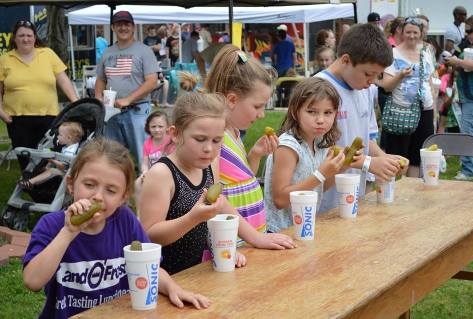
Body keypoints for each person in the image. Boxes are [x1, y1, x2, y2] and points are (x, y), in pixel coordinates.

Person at [22, 138, 211, 319]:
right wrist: (68, 232)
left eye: (111, 190)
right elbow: (32, 281)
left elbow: (148, 267)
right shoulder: (51, 225)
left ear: (123, 197)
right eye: (89, 185)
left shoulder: (125, 221)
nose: (98, 196)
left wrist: (173, 288)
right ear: (71, 185)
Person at [139, 74, 296, 274]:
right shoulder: (162, 174)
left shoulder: (209, 164)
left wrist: (257, 239)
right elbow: (149, 234)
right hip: (168, 279)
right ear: (175, 133)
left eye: (216, 140)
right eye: (200, 139)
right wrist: (191, 219)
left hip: (201, 271)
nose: (209, 149)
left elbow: (222, 204)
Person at [314, 23, 408, 212]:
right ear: (346, 60)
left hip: (354, 195)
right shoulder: (317, 89)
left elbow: (368, 138)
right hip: (321, 201)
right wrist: (368, 163)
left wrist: (385, 161)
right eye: (368, 74)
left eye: (377, 75)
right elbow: (317, 147)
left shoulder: (366, 89)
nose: (372, 81)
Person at [264, 77, 352, 232]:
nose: (320, 120)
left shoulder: (320, 143)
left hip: (303, 226)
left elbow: (317, 187)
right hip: (279, 231)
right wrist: (320, 174)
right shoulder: (288, 146)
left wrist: (341, 167)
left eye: (328, 113)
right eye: (312, 112)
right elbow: (280, 199)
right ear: (294, 111)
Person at [205, 44, 276, 234]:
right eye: (257, 106)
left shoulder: (233, 132)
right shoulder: (215, 139)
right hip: (233, 240)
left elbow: (241, 179)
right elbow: (214, 196)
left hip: (249, 237)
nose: (261, 115)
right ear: (232, 100)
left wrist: (254, 155)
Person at [0, 20, 79, 170]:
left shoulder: (47, 54)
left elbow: (63, 80)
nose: (25, 39)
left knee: (49, 157)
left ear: (35, 37)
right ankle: (32, 188)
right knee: (25, 159)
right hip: (17, 119)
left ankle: (47, 190)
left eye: (29, 35)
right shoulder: (4, 59)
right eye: (21, 35)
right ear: (14, 38)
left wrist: (76, 103)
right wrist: (1, 112)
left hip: (48, 117)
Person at [95, 11, 158, 168]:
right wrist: (98, 98)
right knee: (113, 157)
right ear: (113, 28)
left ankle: (149, 188)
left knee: (143, 156)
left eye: (127, 24)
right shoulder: (108, 51)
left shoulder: (144, 51)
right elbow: (101, 79)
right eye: (119, 24)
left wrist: (128, 99)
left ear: (133, 27)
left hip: (137, 111)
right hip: (111, 113)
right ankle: (118, 188)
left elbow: (152, 81)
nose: (123, 27)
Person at [379, 17, 436, 178]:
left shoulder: (426, 52)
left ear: (421, 33)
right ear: (402, 32)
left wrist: (433, 105)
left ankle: (412, 190)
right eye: (408, 32)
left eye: (415, 32)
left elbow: (430, 81)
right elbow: (386, 85)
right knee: (398, 156)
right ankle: (395, 189)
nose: (412, 36)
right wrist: (400, 75)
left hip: (425, 109)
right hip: (401, 111)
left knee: (418, 155)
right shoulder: (393, 53)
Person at [445, 15, 473, 180]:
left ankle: (467, 171)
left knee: (468, 133)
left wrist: (457, 61)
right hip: (470, 97)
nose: (467, 35)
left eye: (470, 31)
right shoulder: (471, 45)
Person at [18, 121, 84, 190]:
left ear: (69, 138)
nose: (57, 137)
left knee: (51, 170)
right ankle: (31, 176)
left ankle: (30, 182)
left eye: (60, 135)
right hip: (62, 170)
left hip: (68, 173)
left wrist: (51, 159)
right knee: (46, 167)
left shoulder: (71, 151)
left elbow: (64, 166)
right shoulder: (67, 147)